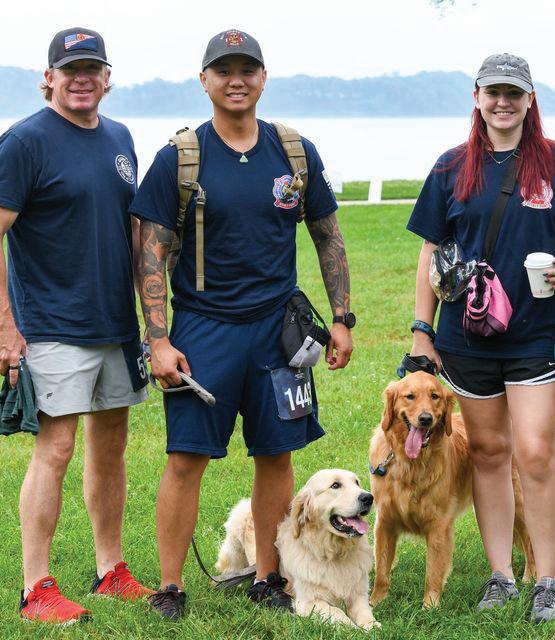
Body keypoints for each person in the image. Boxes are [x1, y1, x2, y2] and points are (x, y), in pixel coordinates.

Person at [128, 29, 352, 620]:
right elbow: (150, 251)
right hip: (204, 330)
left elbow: (327, 234)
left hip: (279, 334)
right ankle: (171, 587)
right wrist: (158, 339)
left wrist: (342, 318)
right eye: (223, 70)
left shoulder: (294, 152)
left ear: (263, 78)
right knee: (186, 458)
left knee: (276, 456)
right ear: (204, 80)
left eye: (247, 69)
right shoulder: (181, 157)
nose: (236, 80)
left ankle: (269, 577)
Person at [0, 27, 153, 624]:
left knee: (111, 448)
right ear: (48, 78)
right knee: (56, 448)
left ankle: (110, 570)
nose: (82, 79)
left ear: (107, 78)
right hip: (51, 325)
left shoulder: (120, 138)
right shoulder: (23, 142)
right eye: (70, 69)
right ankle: (36, 588)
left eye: (92, 68)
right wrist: (2, 326)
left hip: (115, 326)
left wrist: (153, 321)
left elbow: (133, 233)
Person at [406, 52, 555, 623]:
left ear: (530, 99)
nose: (503, 102)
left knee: (535, 453)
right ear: (477, 97)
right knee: (489, 452)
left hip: (536, 334)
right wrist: (422, 332)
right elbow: (431, 252)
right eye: (494, 92)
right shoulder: (451, 166)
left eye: (514, 93)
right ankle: (501, 576)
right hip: (466, 337)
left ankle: (548, 581)